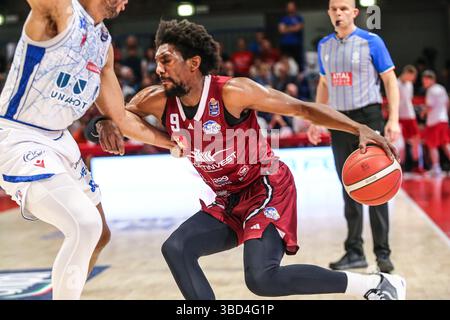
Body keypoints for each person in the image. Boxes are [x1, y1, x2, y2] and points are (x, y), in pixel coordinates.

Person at [94, 19, 406, 300]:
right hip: (228, 197)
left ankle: (376, 284)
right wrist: (103, 123)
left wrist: (359, 127)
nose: (158, 68)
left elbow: (302, 108)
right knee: (176, 248)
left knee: (261, 278)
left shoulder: (233, 92)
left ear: (193, 63)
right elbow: (119, 116)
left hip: (266, 185)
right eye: (156, 60)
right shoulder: (155, 99)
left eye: (166, 60)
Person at [0, 0, 178, 299]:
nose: (126, 3)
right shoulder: (60, 11)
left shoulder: (104, 45)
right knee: (84, 224)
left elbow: (120, 117)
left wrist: (173, 143)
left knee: (99, 234)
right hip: (18, 134)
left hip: (59, 138)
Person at [306, 0, 401, 273]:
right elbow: (324, 84)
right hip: (338, 119)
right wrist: (316, 120)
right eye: (334, 9)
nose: (338, 13)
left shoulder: (372, 41)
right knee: (349, 185)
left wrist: (392, 119)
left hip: (368, 117)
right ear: (328, 13)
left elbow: (390, 80)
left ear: (355, 13)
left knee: (378, 183)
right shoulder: (324, 45)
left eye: (344, 8)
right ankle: (354, 251)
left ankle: (383, 254)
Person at [421, 70, 450, 176]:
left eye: (425, 80)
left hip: (434, 122)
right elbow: (447, 103)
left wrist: (423, 113)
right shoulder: (441, 88)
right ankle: (436, 168)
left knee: (432, 146)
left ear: (431, 79)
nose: (424, 82)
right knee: (446, 144)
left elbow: (429, 106)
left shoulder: (431, 90)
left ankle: (436, 168)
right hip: (443, 120)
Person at [397, 65, 423, 172]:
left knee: (416, 141)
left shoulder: (410, 84)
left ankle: (417, 166)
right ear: (406, 73)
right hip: (399, 117)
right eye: (411, 76)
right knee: (400, 143)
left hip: (410, 116)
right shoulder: (396, 83)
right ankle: (400, 166)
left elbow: (409, 100)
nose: (412, 79)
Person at [278, 1, 305, 71]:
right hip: (285, 44)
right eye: (289, 6)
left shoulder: (299, 18)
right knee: (285, 62)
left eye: (292, 6)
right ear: (287, 8)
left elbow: (298, 28)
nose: (291, 8)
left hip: (296, 44)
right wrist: (293, 28)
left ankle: (299, 78)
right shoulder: (284, 19)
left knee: (298, 63)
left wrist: (287, 28)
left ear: (295, 8)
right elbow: (281, 30)